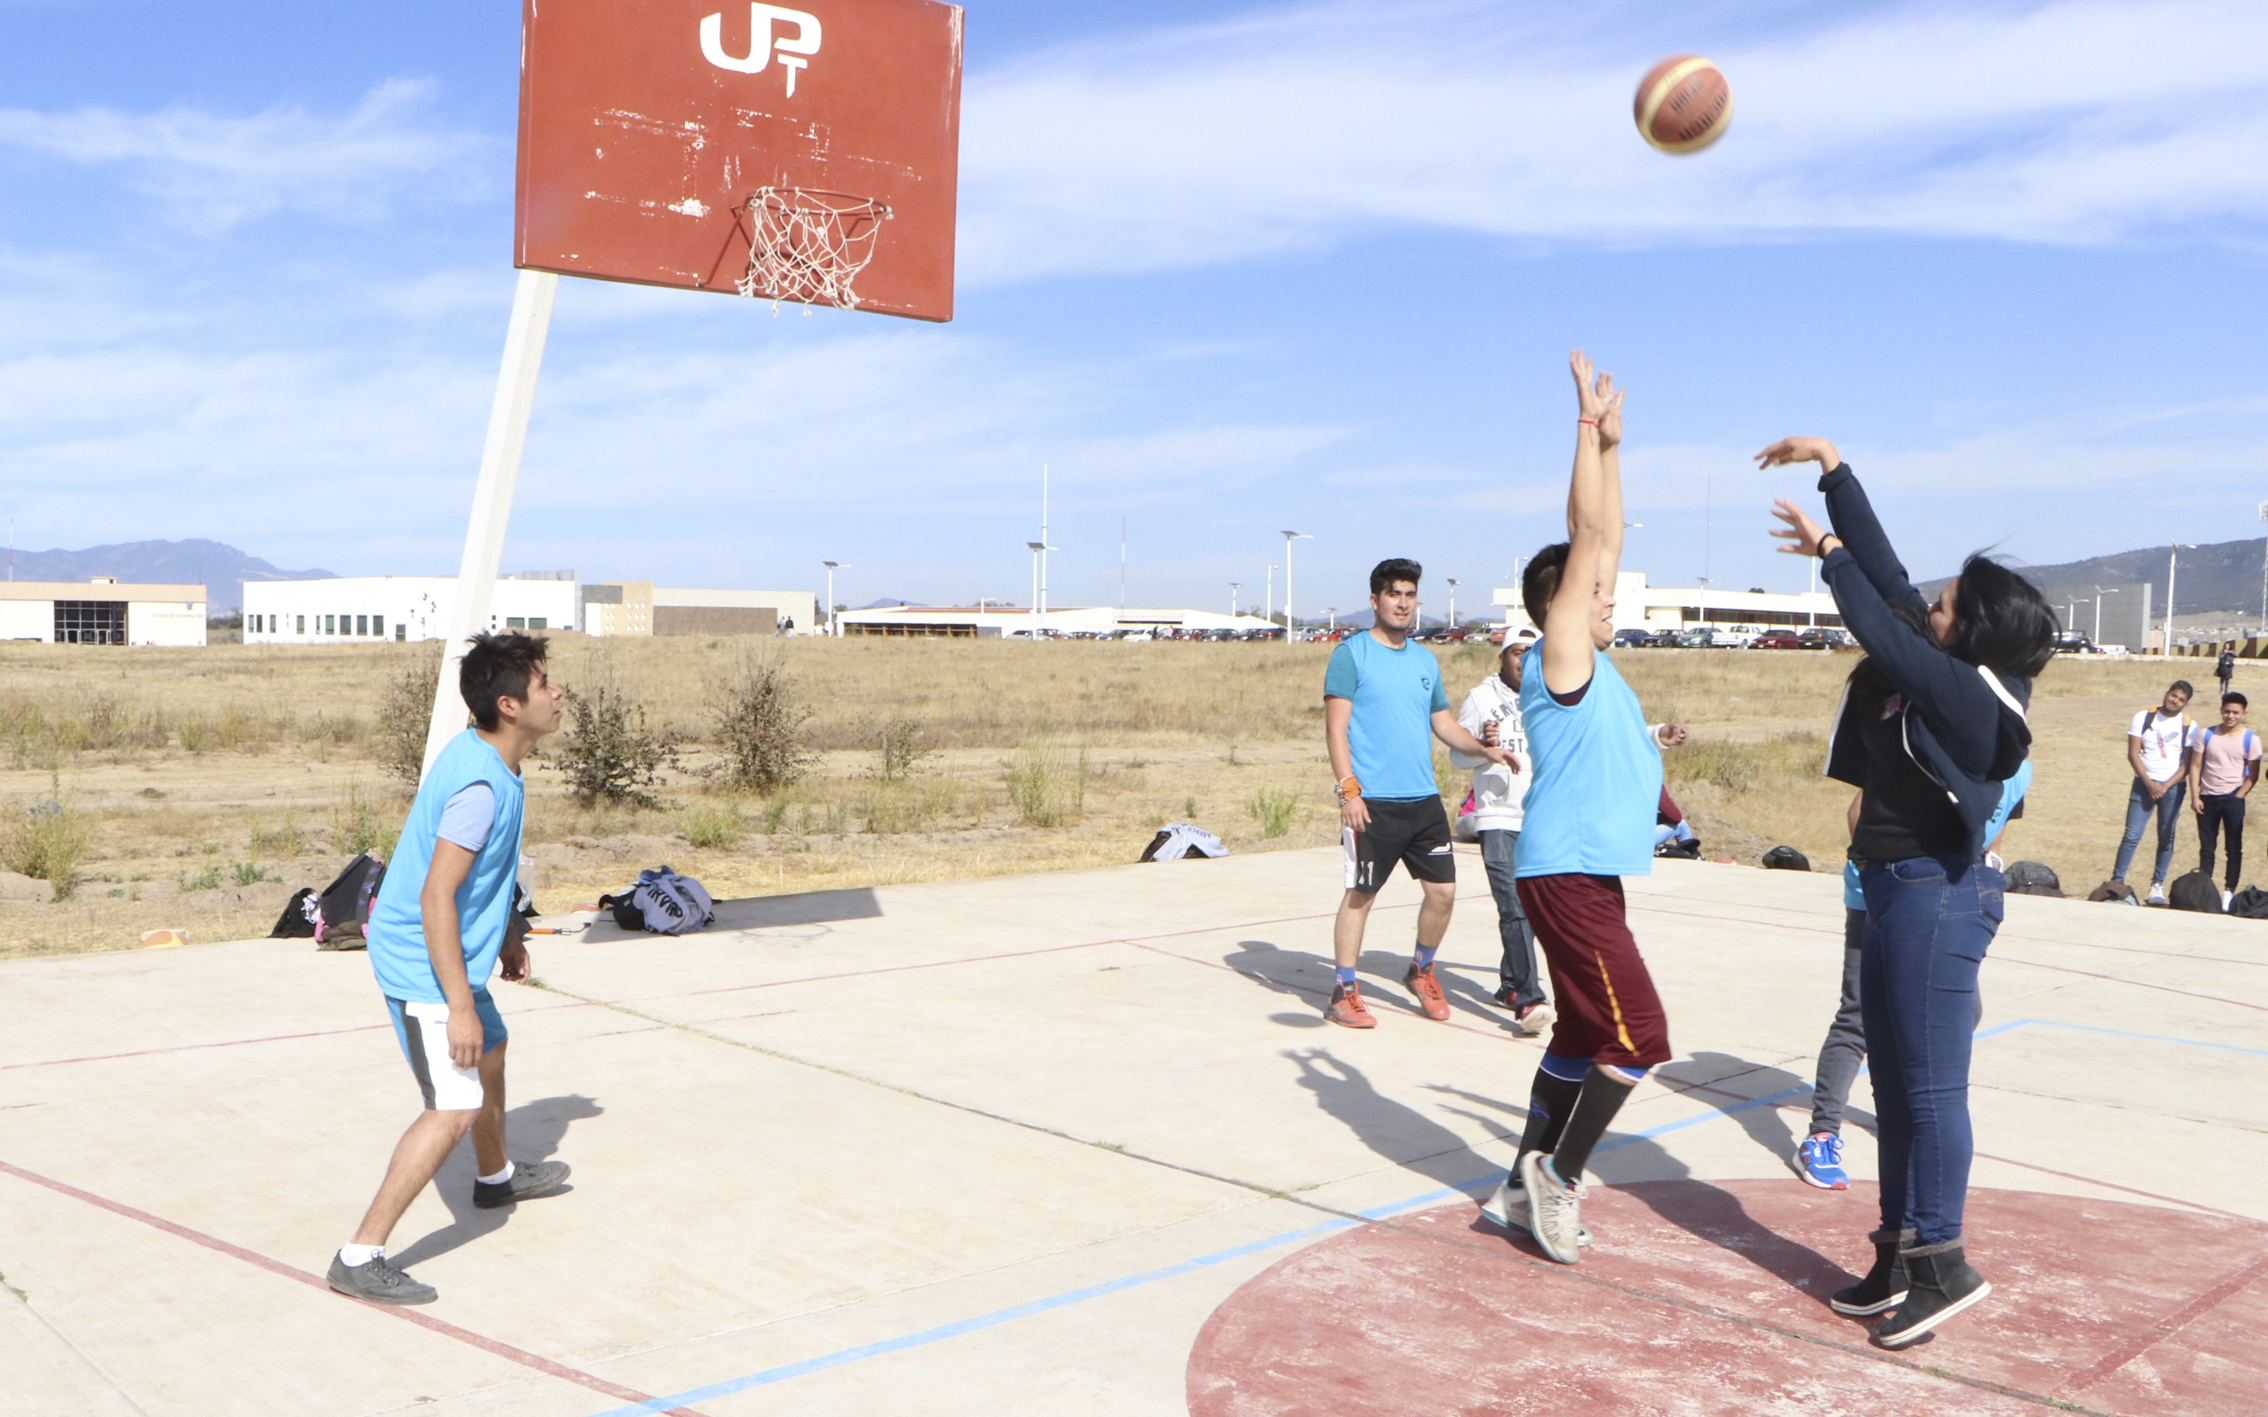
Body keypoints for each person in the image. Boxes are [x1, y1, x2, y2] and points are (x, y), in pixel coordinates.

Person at [1765, 434, 2056, 1348]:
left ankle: (1944, 1260)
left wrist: (1827, 557)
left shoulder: (1974, 695)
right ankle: (1897, 1250)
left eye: (1946, 604)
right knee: (1892, 1084)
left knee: (1930, 1091)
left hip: (1941, 896)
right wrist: (1836, 472)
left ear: (1971, 630)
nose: (1930, 604)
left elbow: (1878, 618)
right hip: (1887, 890)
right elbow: (1891, 582)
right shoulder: (1941, 664)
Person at [1483, 353, 1670, 1267]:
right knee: (1641, 1037)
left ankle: (1518, 1175)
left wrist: (1613, 443)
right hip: (1565, 870)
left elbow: (1607, 536)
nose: (1609, 595)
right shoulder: (1560, 652)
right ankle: (1560, 1175)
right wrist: (1582, 431)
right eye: (1592, 590)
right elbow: (1587, 533)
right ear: (1561, 602)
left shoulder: (1592, 656)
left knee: (1586, 1034)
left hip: (1583, 871)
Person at [328, 633, 572, 1306]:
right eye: (544, 683)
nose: (557, 692)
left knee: (491, 1051)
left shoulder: (495, 759)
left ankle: (495, 1177)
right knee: (453, 1105)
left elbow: (479, 880)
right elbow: (437, 895)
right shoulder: (479, 786)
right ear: (508, 704)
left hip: (453, 955)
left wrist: (509, 931)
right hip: (421, 964)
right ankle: (360, 1253)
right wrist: (458, 1002)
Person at [1793, 759, 2029, 1191]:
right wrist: (1873, 869)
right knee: (1859, 1012)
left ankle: (1900, 1108)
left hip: (1943, 902)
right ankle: (1822, 1134)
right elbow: (1859, 809)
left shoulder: (2020, 770)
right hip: (1881, 894)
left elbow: (1996, 825)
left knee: (1963, 1008)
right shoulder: (1931, 751)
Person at [1322, 559, 1517, 1028]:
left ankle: (1421, 970)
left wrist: (1484, 750)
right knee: (1360, 895)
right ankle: (1344, 990)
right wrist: (1349, 793)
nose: (1403, 603)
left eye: (1410, 595)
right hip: (1373, 802)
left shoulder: (1425, 660)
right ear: (1375, 601)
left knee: (1444, 893)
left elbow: (1444, 724)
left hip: (1422, 800)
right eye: (1394, 594)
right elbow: (1336, 728)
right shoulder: (1351, 655)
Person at [1451, 644, 1552, 1034]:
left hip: (1539, 817)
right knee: (1513, 904)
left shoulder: (1547, 696)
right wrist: (1483, 749)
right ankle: (1530, 998)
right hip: (1496, 816)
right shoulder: (1481, 698)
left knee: (1536, 905)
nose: (1524, 660)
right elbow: (1457, 757)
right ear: (1502, 658)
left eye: (1531, 652)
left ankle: (1511, 983)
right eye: (1516, 652)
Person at [2113, 681, 2196, 905]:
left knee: (2166, 837)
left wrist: (2165, 786)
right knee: (2131, 835)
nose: (2175, 701)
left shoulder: (2189, 725)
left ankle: (2157, 886)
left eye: (2180, 699)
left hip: (2173, 787)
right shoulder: (2143, 717)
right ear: (2166, 694)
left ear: (2186, 703)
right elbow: (2133, 754)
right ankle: (2116, 883)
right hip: (2143, 784)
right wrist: (2149, 783)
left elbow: (2187, 765)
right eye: (2173, 695)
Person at [2188, 691, 2260, 908]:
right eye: (2227, 711)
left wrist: (2239, 796)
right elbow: (2195, 765)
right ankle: (2205, 887)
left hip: (2232, 799)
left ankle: (2229, 891)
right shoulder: (2206, 734)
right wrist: (2194, 795)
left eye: (2236, 712)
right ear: (2221, 711)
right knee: (2207, 847)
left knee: (2233, 847)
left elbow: (2253, 774)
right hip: (2207, 797)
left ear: (2244, 714)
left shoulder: (2251, 739)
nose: (2230, 716)